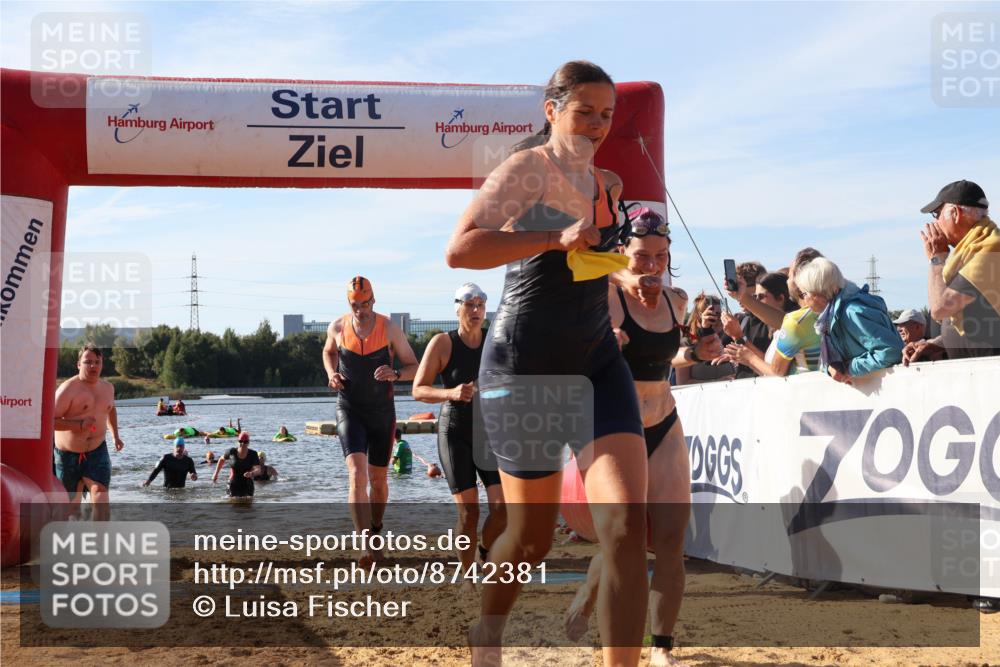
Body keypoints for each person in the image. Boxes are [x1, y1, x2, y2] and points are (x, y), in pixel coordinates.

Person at [446, 60, 650, 666]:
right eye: (584, 110)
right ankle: (489, 630)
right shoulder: (527, 170)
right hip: (524, 365)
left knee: (624, 530)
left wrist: (619, 291)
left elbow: (595, 268)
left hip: (597, 363)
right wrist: (552, 238)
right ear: (552, 111)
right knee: (530, 538)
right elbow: (461, 250)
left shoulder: (610, 185)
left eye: (607, 114)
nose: (597, 124)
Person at [564, 207, 721, 664]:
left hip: (664, 421)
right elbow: (571, 267)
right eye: (640, 256)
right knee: (624, 538)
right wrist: (616, 291)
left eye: (660, 256)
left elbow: (665, 358)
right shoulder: (603, 294)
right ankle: (592, 587)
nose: (651, 266)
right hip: (617, 424)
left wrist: (695, 351)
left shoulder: (676, 298)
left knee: (672, 541)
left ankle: (662, 647)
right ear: (620, 253)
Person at [412, 282, 507, 591]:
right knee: (469, 512)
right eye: (470, 305)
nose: (477, 310)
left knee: (502, 509)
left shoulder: (495, 340)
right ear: (457, 308)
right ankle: (467, 575)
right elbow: (418, 389)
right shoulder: (443, 343)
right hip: (455, 432)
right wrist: (451, 392)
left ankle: (484, 552)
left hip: (490, 433)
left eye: (481, 304)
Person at [322, 276, 419, 564]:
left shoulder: (389, 328)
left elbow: (414, 365)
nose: (361, 310)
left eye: (365, 304)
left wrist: (397, 374)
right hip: (349, 409)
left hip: (381, 412)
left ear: (373, 300)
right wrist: (331, 374)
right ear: (349, 303)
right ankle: (365, 544)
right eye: (355, 305)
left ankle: (376, 530)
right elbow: (328, 351)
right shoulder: (338, 327)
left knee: (378, 480)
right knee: (356, 474)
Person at [905, 180, 999, 363]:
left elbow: (940, 308)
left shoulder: (992, 250)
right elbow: (978, 315)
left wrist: (936, 259)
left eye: (937, 213)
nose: (935, 222)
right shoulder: (974, 250)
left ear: (955, 213)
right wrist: (939, 343)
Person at [793, 257, 903, 383]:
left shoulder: (852, 313)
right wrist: (830, 368)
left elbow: (891, 352)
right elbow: (831, 360)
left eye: (804, 294)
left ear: (818, 293)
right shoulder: (830, 318)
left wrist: (849, 368)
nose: (804, 300)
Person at [718, 248, 824, 377]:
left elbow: (777, 373)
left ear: (799, 281)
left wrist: (748, 357)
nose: (787, 280)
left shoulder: (796, 320)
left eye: (790, 276)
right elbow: (782, 320)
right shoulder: (826, 311)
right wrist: (742, 296)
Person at [53, 343, 125, 518]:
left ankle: (98, 543)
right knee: (71, 508)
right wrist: (78, 425)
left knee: (101, 497)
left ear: (101, 364)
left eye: (97, 362)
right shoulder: (67, 390)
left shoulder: (108, 388)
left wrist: (115, 435)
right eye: (88, 362)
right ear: (79, 364)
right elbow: (48, 422)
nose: (93, 366)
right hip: (68, 455)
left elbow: (111, 409)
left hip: (96, 451)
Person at [675, 293, 736, 384]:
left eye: (722, 314)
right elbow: (682, 382)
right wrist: (718, 382)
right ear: (700, 316)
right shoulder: (687, 343)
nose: (719, 319)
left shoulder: (730, 338)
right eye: (714, 315)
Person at [212, 431, 263, 498]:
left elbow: (258, 470)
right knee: (232, 505)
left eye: (245, 442)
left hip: (247, 484)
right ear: (237, 441)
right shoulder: (231, 452)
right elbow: (221, 459)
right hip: (233, 483)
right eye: (240, 441)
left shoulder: (253, 454)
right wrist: (216, 473)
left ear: (248, 443)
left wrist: (251, 473)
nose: (243, 444)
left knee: (248, 506)